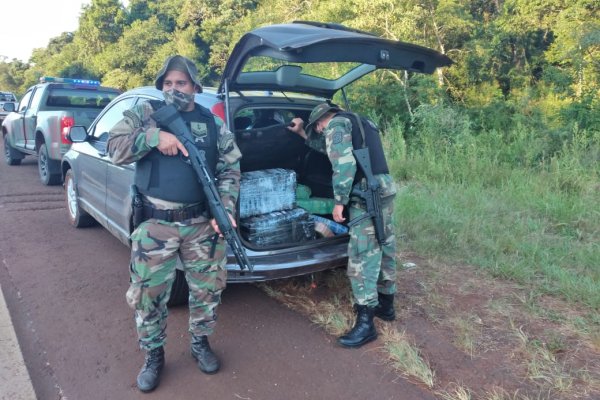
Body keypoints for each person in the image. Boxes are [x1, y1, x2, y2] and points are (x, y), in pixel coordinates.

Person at [107, 55, 242, 392]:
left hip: (201, 223)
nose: (173, 89)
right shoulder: (143, 115)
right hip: (155, 225)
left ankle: (200, 343)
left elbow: (230, 168)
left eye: (180, 83)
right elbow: (115, 148)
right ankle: (154, 355)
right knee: (148, 295)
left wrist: (224, 208)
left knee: (207, 290)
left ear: (195, 86)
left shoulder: (212, 123)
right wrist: (153, 139)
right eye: (167, 83)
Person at [288, 103, 397, 348]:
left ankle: (366, 322)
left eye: (317, 128)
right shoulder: (361, 121)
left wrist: (339, 202)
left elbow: (344, 164)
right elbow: (330, 150)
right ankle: (387, 305)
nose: (320, 131)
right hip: (384, 188)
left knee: (362, 254)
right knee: (385, 242)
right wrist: (302, 133)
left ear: (320, 122)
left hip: (364, 195)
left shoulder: (336, 125)